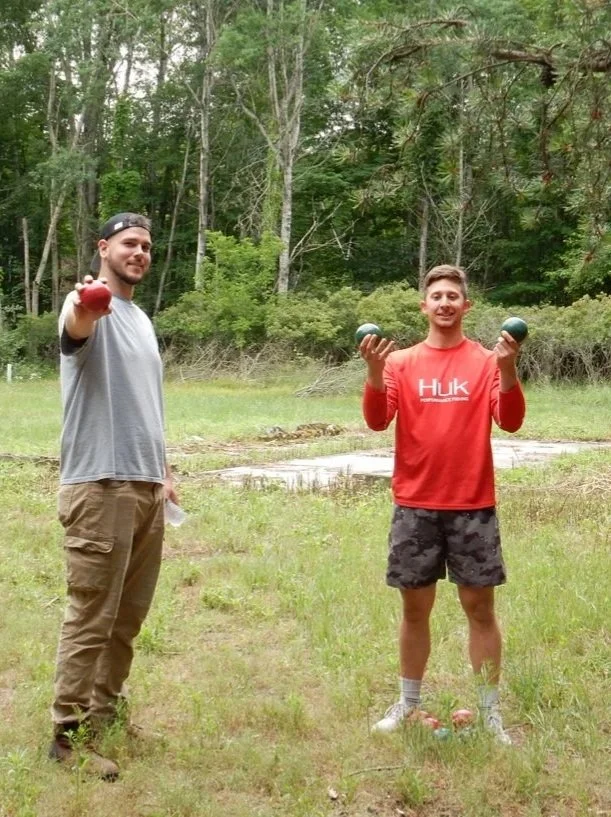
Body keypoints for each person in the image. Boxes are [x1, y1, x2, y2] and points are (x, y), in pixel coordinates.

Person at [360, 264, 525, 744]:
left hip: (472, 503)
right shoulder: (401, 363)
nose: (446, 302)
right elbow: (376, 420)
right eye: (437, 296)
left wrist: (509, 368)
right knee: (414, 610)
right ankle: (408, 703)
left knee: (479, 609)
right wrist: (373, 371)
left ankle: (490, 714)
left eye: (454, 295)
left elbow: (510, 421)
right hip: (416, 504)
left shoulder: (485, 361)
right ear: (424, 306)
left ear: (466, 306)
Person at [49, 212, 178, 780]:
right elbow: (76, 326)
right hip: (101, 485)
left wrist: (165, 471)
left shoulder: (142, 319)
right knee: (91, 617)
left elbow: (146, 403)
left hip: (146, 486)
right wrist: (85, 304)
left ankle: (105, 716)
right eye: (129, 243)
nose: (140, 253)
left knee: (127, 618)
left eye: (147, 246)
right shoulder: (90, 305)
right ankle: (66, 737)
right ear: (104, 248)